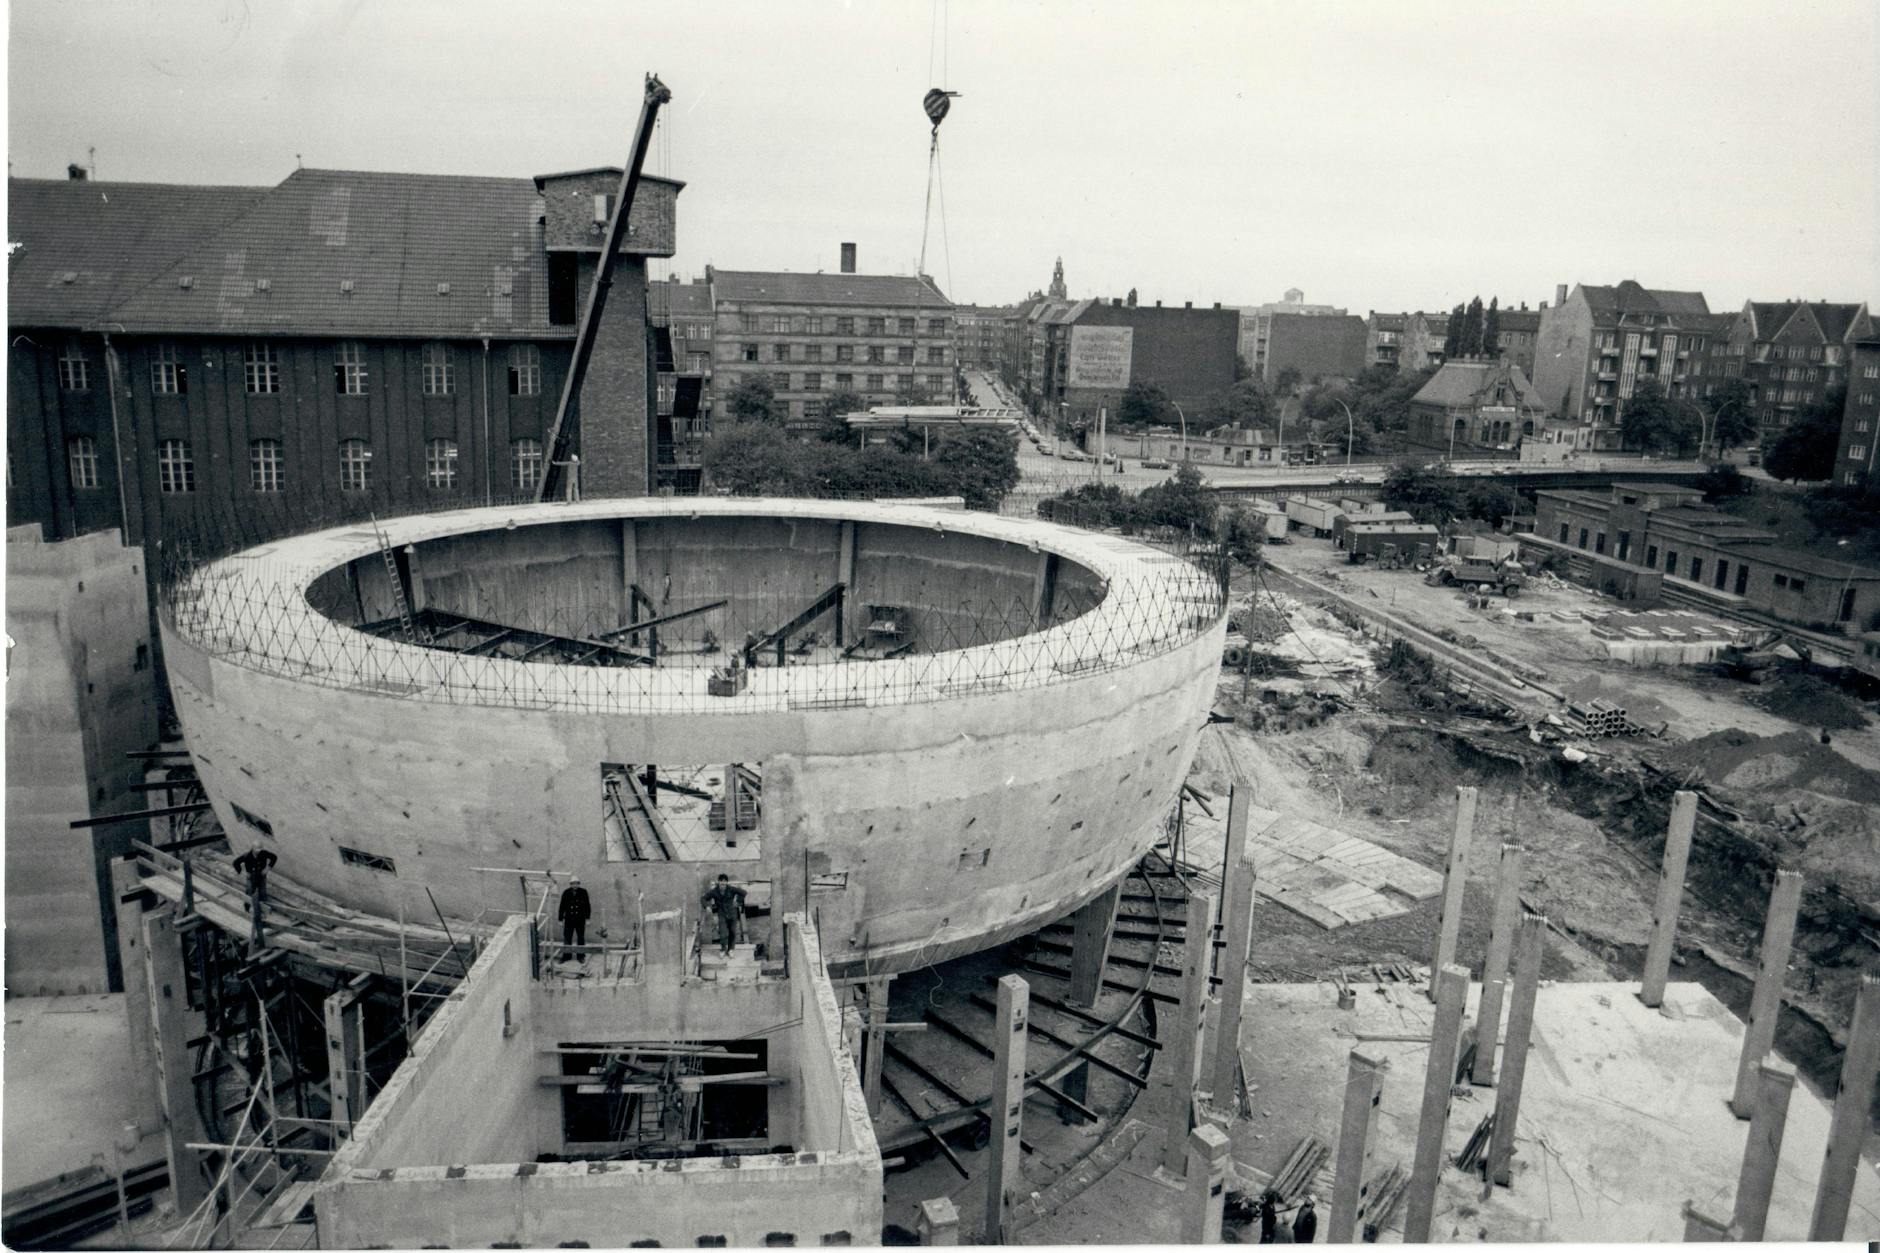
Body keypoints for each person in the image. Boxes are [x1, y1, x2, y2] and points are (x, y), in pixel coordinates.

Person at [230, 846, 278, 951]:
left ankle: (264, 911)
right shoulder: (247, 856)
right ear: (253, 849)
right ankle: (247, 908)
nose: (259, 852)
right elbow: (235, 863)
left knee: (263, 893)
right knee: (249, 892)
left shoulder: (264, 853)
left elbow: (274, 857)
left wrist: (268, 868)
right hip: (251, 876)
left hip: (261, 875)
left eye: (260, 850)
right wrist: (242, 872)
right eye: (257, 851)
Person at [702, 874, 747, 954]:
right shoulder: (714, 891)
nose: (723, 885)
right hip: (722, 914)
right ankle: (723, 949)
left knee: (732, 932)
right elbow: (703, 898)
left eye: (724, 883)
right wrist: (707, 907)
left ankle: (731, 949)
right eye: (721, 883)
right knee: (723, 933)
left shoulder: (731, 889)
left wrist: (738, 901)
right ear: (718, 882)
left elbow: (744, 892)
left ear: (726, 882)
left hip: (732, 913)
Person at [557, 875, 592, 962]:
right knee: (567, 937)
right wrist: (560, 919)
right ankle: (566, 955)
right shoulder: (566, 892)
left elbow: (587, 906)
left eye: (576, 883)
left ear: (579, 884)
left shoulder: (583, 892)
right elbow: (562, 906)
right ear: (570, 884)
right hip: (569, 919)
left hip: (580, 919)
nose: (575, 885)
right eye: (573, 884)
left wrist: (587, 918)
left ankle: (580, 956)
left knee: (580, 937)